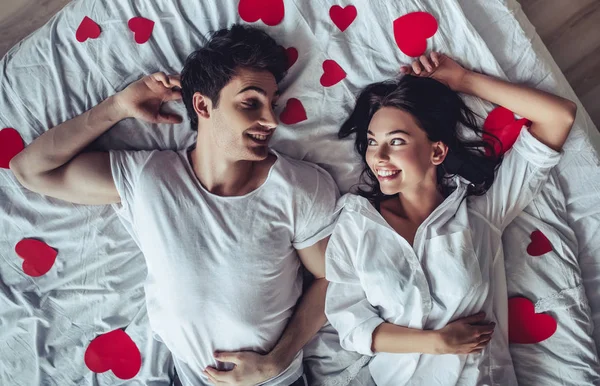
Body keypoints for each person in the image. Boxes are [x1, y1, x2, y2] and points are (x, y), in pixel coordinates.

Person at [10, 24, 339, 386]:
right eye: (250, 102)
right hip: (188, 377)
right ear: (202, 105)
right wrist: (118, 106)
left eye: (272, 104)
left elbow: (331, 279)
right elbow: (30, 169)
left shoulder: (298, 187)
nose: (270, 120)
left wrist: (276, 361)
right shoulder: (150, 178)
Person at [324, 52, 576, 385]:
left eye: (396, 141)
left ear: (437, 152)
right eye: (372, 142)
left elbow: (559, 116)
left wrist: (463, 80)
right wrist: (436, 343)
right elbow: (351, 324)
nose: (379, 157)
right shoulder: (355, 224)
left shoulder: (482, 214)